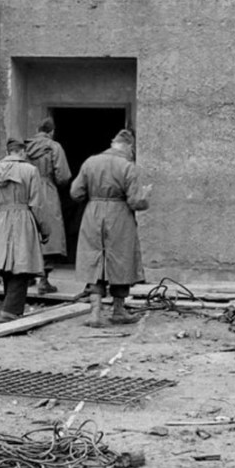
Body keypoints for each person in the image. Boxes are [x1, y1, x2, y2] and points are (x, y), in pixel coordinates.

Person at [70, 128, 152, 326]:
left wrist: (93, 198)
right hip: (119, 215)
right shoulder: (127, 166)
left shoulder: (90, 162)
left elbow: (75, 193)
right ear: (129, 147)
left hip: (93, 214)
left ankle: (95, 313)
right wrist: (145, 196)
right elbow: (134, 201)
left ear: (112, 144)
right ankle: (118, 310)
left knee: (94, 260)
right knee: (120, 260)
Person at [0, 137, 50, 323]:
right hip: (24, 219)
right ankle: (10, 311)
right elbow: (37, 204)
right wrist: (44, 229)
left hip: (1, 219)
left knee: (6, 263)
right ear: (22, 152)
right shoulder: (30, 170)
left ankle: (10, 310)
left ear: (8, 151)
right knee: (22, 264)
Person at [25, 117, 72, 294]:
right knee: (49, 234)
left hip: (28, 191)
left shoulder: (25, 146)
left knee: (30, 232)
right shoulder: (54, 147)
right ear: (51, 132)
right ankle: (44, 280)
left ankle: (28, 276)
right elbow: (63, 175)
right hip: (47, 191)